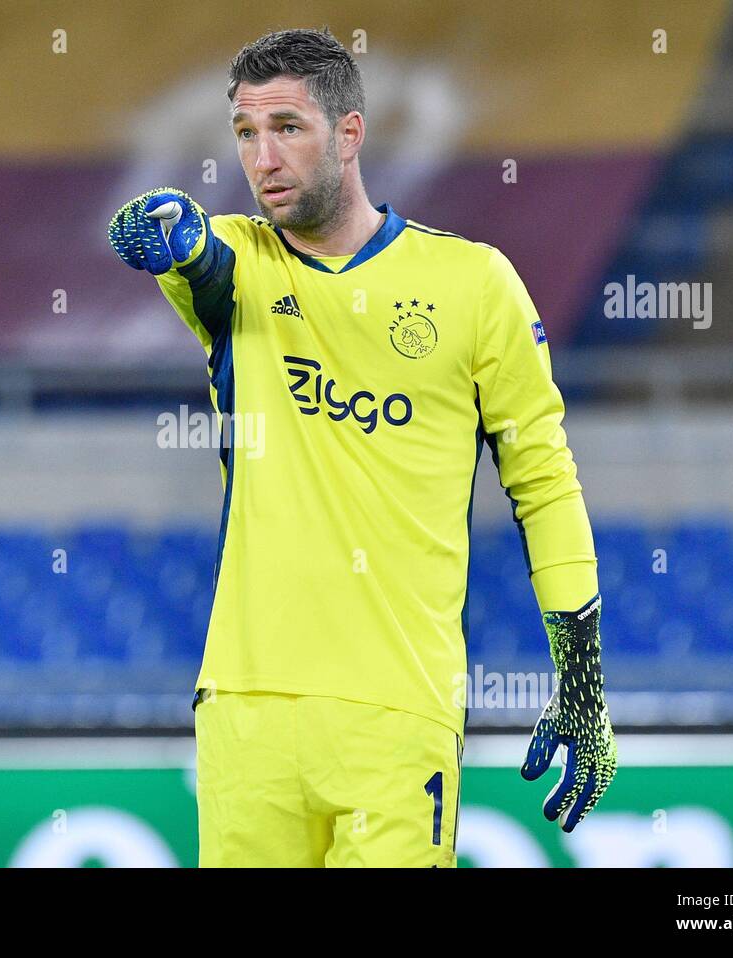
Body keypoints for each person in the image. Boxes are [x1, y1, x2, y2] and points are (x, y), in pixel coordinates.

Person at [107, 26, 616, 867]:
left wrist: (583, 680)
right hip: (245, 708)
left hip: (397, 713)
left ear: (349, 134)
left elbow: (546, 483)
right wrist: (157, 224)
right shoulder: (237, 263)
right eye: (244, 133)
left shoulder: (474, 285)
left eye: (288, 128)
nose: (262, 158)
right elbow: (187, 239)